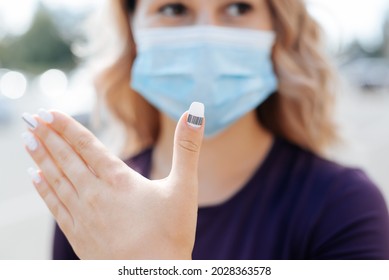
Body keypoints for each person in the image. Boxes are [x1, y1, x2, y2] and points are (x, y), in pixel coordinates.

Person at [22, 0, 389, 259]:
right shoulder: (93, 202)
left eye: (238, 7)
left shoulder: (344, 206)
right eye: (174, 8)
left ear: (277, 29)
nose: (206, 35)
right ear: (133, 30)